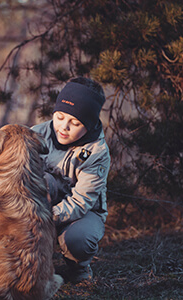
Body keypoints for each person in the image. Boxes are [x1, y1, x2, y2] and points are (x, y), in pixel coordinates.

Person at [32, 77, 110, 283]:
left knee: (79, 239)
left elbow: (81, 201)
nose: (63, 127)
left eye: (75, 123)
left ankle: (78, 269)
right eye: (59, 117)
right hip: (40, 205)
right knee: (45, 180)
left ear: (90, 123)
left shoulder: (97, 152)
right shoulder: (36, 134)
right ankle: (30, 264)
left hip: (81, 213)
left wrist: (45, 218)